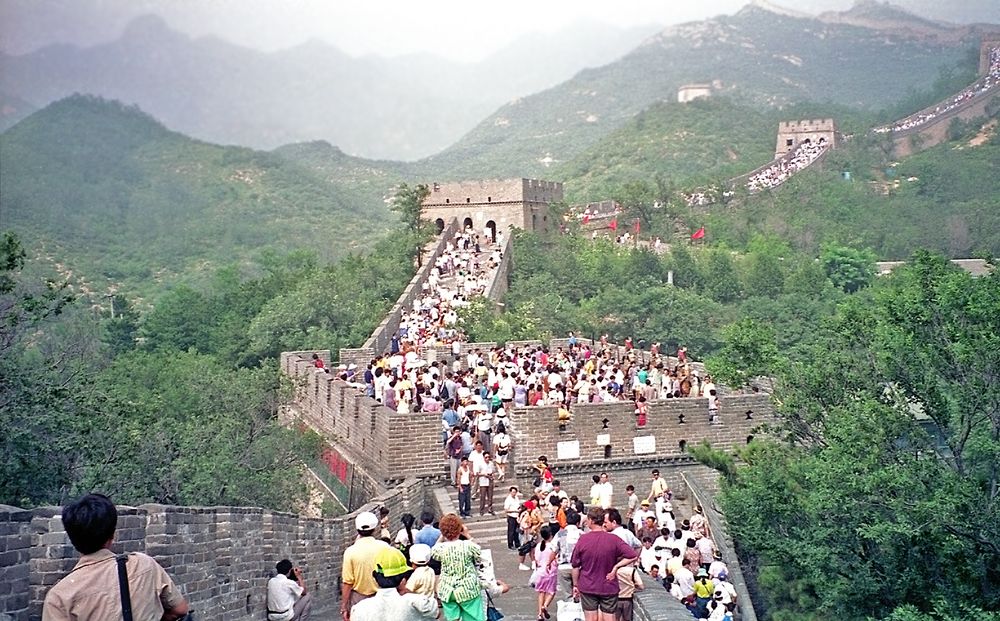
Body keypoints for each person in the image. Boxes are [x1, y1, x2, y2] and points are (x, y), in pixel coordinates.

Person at [42, 493, 190, 621]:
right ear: (113, 535)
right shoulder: (144, 565)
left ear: (71, 537)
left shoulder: (59, 597)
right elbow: (180, 609)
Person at [570, 507, 639, 621]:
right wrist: (616, 567)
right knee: (609, 617)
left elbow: (575, 565)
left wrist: (576, 585)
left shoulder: (583, 539)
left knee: (591, 618)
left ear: (591, 520)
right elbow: (632, 555)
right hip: (608, 585)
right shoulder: (614, 539)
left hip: (588, 585)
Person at [349, 547, 438, 621]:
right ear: (403, 579)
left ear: (375, 578)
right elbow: (435, 613)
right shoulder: (420, 604)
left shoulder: (359, 610)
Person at [432, 514, 483, 621]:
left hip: (447, 589)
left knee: (452, 618)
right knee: (473, 617)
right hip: (468, 588)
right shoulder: (467, 545)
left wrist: (442, 535)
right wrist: (467, 534)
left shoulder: (441, 548)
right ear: (460, 529)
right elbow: (478, 551)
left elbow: (434, 550)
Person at [341, 511, 391, 620]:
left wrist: (344, 606)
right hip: (381, 596)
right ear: (374, 528)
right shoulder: (385, 547)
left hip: (358, 598)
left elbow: (348, 582)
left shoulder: (350, 552)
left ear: (357, 529)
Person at [532, 525, 559, 621]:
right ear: (551, 535)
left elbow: (536, 559)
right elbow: (555, 559)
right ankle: (545, 605)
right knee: (551, 592)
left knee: (541, 592)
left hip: (540, 572)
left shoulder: (539, 546)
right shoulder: (552, 546)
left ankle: (539, 614)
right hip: (550, 571)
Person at [476, 452, 496, 516]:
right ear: (483, 458)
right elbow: (477, 473)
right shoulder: (480, 464)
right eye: (486, 457)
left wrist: (492, 476)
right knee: (483, 497)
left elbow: (493, 471)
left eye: (488, 457)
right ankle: (482, 510)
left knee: (490, 496)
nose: (487, 459)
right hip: (483, 482)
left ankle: (490, 508)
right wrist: (484, 474)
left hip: (490, 481)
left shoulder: (491, 464)